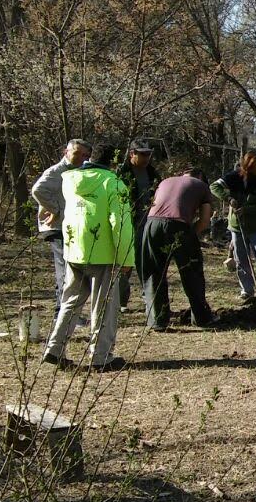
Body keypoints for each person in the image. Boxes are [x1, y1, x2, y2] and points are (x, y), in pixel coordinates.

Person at [42, 144, 135, 372]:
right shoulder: (113, 183)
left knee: (70, 302)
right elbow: (120, 225)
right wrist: (126, 259)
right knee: (104, 306)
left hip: (74, 250)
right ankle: (101, 357)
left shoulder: (70, 179)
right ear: (114, 162)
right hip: (104, 255)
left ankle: (54, 349)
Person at [141, 168, 217, 331]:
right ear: (200, 177)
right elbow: (204, 221)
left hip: (152, 224)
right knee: (192, 272)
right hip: (179, 225)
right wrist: (190, 235)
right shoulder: (202, 186)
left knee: (154, 272)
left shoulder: (165, 181)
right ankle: (201, 318)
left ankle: (157, 321)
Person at [31, 138, 92, 316]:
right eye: (77, 153)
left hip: (72, 225)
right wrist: (55, 210)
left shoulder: (80, 171)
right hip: (56, 227)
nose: (82, 158)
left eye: (85, 155)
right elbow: (37, 190)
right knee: (66, 268)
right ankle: (63, 312)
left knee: (73, 267)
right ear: (66, 152)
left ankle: (67, 310)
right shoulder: (56, 171)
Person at [211, 151, 256, 300]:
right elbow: (214, 187)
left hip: (255, 226)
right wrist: (228, 198)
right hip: (237, 226)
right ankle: (246, 290)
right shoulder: (234, 177)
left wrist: (246, 210)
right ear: (249, 164)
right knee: (241, 259)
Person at [115, 141, 162, 311]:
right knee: (124, 261)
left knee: (146, 261)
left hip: (147, 222)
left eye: (148, 154)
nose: (146, 158)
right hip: (126, 221)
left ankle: (148, 298)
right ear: (132, 154)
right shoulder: (121, 172)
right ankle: (120, 301)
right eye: (142, 154)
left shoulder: (152, 172)